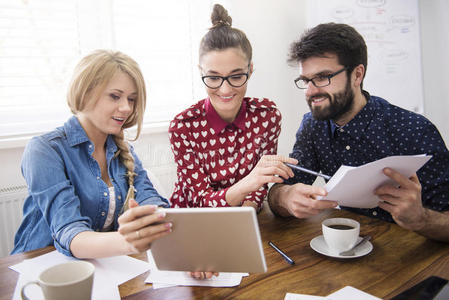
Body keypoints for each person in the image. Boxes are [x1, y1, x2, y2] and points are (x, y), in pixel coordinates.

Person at [268, 23, 449, 242]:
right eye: (306, 80)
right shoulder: (313, 126)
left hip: (411, 257)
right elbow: (280, 190)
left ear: (357, 75)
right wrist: (286, 198)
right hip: (347, 249)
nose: (311, 91)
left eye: (323, 77)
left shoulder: (414, 130)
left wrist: (420, 218)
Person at [12, 50, 172, 258]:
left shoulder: (125, 152)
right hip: (40, 267)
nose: (126, 108)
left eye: (131, 99)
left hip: (101, 265)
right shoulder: (44, 150)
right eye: (115, 96)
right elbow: (70, 231)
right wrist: (130, 240)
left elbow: (150, 199)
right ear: (86, 93)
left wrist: (156, 221)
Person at [169, 4, 296, 213]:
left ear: (250, 69)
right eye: (213, 77)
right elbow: (201, 201)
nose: (225, 89)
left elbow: (260, 186)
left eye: (236, 76)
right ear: (201, 72)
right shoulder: (183, 126)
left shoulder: (267, 115)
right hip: (193, 220)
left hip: (247, 214)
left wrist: (246, 215)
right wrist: (250, 182)